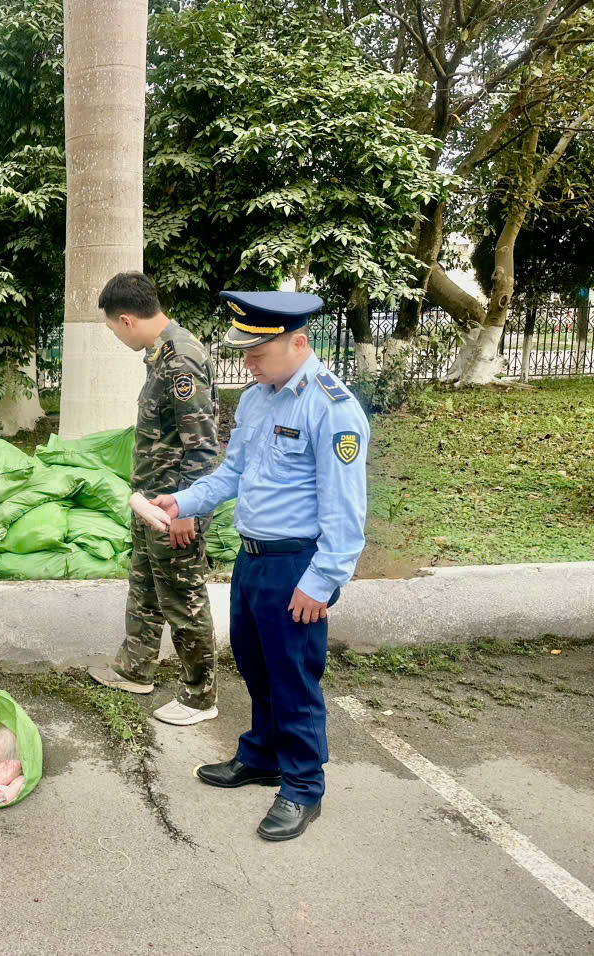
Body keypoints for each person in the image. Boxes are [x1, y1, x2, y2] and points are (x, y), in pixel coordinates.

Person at [139, 290, 369, 842]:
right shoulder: (258, 398)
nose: (247, 362)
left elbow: (345, 511)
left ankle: (302, 787)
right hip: (252, 561)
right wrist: (184, 502)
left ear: (299, 342)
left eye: (257, 353)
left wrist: (323, 582)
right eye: (244, 352)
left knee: (293, 678)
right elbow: (231, 473)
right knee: (254, 665)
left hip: (297, 567)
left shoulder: (331, 409)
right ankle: (262, 756)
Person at [86, 272, 222, 728]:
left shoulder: (180, 359)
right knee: (145, 587)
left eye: (112, 328)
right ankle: (136, 668)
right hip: (152, 503)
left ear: (126, 320)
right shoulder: (162, 354)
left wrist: (188, 509)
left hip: (174, 509)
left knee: (183, 598)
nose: (115, 335)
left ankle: (200, 696)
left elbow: (203, 447)